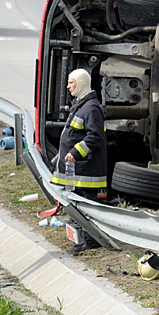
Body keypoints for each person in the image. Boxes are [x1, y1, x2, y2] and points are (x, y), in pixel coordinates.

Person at [52, 68, 107, 253]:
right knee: (77, 206)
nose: (68, 87)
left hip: (86, 171)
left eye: (71, 82)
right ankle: (83, 239)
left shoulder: (91, 108)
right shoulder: (81, 105)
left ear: (82, 83)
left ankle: (91, 240)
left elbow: (95, 137)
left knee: (87, 206)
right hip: (78, 172)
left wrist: (75, 153)